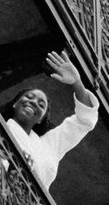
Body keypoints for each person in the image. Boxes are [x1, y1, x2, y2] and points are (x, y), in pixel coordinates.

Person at [5, 49, 99, 192]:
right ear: (15, 103)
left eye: (41, 105)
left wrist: (77, 83)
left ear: (41, 119)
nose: (34, 102)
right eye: (29, 97)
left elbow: (83, 121)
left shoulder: (49, 144)